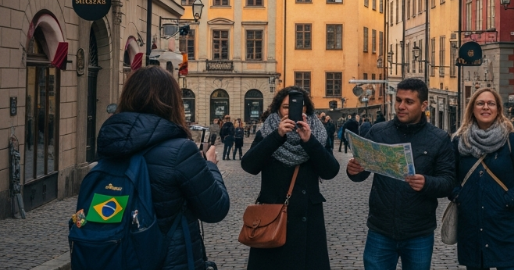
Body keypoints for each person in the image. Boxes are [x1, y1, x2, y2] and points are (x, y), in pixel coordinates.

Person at [96, 66, 229, 270]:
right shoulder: (181, 150)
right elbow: (216, 209)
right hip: (168, 260)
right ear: (172, 102)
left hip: (119, 254)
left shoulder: (110, 142)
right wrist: (210, 165)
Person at [347, 78, 456, 270]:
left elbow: (448, 182)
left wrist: (426, 183)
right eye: (398, 100)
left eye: (409, 101)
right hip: (380, 229)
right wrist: (353, 170)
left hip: (418, 232)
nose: (401, 106)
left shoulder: (439, 138)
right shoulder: (379, 132)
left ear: (423, 105)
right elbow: (361, 174)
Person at [241, 86, 339, 269]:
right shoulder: (268, 131)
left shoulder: (317, 132)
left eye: (297, 106)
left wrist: (309, 142)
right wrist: (277, 136)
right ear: (278, 109)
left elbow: (330, 171)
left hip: (308, 220)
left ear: (306, 109)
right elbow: (249, 165)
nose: (291, 111)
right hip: (273, 218)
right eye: (286, 107)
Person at [450, 88, 514, 270]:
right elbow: (449, 177)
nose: (485, 107)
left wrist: (508, 200)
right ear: (472, 108)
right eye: (480, 103)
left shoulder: (511, 140)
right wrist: (460, 196)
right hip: (472, 225)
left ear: (498, 108)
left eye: (491, 103)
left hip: (504, 224)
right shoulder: (460, 141)